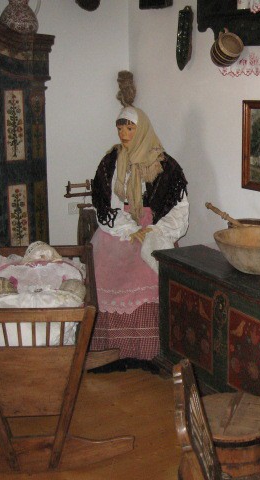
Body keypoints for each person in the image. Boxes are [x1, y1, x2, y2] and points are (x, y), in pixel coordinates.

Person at [89, 71, 189, 369]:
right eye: (120, 127)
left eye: (130, 128)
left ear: (142, 128)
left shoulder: (165, 165)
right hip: (118, 229)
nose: (123, 134)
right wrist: (128, 228)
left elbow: (179, 207)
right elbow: (103, 201)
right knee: (103, 271)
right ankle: (108, 350)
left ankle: (150, 352)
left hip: (153, 229)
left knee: (150, 273)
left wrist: (155, 232)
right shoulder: (111, 161)